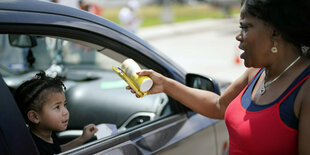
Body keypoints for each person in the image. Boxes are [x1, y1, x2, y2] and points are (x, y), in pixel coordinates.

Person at [127, 0, 310, 154]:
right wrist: (165, 84)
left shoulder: (305, 88)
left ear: (275, 32)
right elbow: (219, 106)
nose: (239, 36)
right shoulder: (257, 73)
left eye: (246, 27)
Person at [14, 71, 98, 154]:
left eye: (64, 105)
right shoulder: (35, 149)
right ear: (35, 117)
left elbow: (57, 151)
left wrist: (83, 138)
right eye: (57, 107)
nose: (65, 112)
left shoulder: (49, 133)